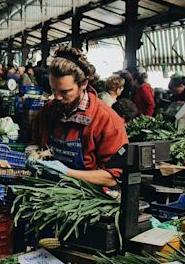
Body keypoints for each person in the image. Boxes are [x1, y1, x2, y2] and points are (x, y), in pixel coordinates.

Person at [31, 46, 128, 187]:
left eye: (65, 92)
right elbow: (35, 141)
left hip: (86, 198)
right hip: (49, 189)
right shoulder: (49, 110)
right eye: (53, 90)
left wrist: (68, 173)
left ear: (83, 84)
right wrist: (31, 155)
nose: (56, 97)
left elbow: (112, 176)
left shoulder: (106, 120)